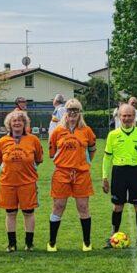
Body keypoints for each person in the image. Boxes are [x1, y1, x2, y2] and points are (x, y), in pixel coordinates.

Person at [102, 103, 137, 249]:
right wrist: (105, 177)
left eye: (129, 115)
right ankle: (113, 236)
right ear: (119, 117)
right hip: (118, 172)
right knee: (117, 206)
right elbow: (107, 158)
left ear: (134, 117)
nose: (126, 118)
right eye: (124, 115)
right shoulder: (113, 135)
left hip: (136, 172)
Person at [47, 99, 96, 252]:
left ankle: (87, 242)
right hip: (62, 173)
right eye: (70, 111)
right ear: (65, 113)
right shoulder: (57, 131)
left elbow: (92, 149)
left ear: (80, 113)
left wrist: (82, 162)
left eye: (76, 111)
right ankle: (52, 242)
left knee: (83, 207)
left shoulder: (87, 131)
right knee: (58, 206)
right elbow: (52, 152)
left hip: (81, 174)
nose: (72, 114)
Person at [0, 110, 43, 252]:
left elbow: (39, 159)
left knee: (28, 212)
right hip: (8, 183)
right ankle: (12, 244)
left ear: (25, 123)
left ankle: (29, 243)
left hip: (27, 183)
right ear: (9, 124)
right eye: (14, 121)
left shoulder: (33, 140)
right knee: (10, 213)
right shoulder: (2, 141)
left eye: (20, 121)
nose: (17, 123)